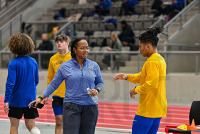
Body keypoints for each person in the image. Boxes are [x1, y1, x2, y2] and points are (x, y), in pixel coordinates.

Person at [29, 38, 104, 134]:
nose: (85, 50)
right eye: (82, 48)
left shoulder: (94, 65)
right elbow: (53, 84)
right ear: (74, 49)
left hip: (90, 107)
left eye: (87, 48)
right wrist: (41, 97)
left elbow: (100, 83)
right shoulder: (65, 66)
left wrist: (97, 90)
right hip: (71, 106)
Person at [113, 27, 167, 134]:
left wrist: (135, 90)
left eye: (140, 46)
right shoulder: (160, 59)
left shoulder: (151, 62)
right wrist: (126, 76)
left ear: (148, 46)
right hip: (158, 109)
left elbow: (151, 85)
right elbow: (142, 77)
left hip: (147, 110)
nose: (139, 49)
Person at [4, 33, 40, 134]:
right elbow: (36, 81)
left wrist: (6, 100)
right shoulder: (33, 61)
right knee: (32, 126)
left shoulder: (13, 63)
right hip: (31, 99)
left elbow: (10, 83)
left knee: (14, 127)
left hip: (16, 100)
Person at [43, 34, 71, 134]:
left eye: (61, 41)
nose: (58, 43)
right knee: (59, 121)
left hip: (72, 96)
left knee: (71, 123)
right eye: (57, 41)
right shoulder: (53, 59)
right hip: (58, 95)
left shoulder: (74, 57)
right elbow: (50, 78)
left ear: (67, 43)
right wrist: (46, 94)